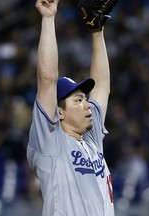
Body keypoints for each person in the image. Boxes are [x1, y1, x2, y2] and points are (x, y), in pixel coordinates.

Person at [27, 0, 114, 215]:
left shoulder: (92, 141)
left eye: (85, 99)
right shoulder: (50, 142)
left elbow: (102, 87)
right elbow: (47, 80)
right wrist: (48, 19)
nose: (87, 105)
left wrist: (97, 32)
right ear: (59, 113)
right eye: (78, 100)